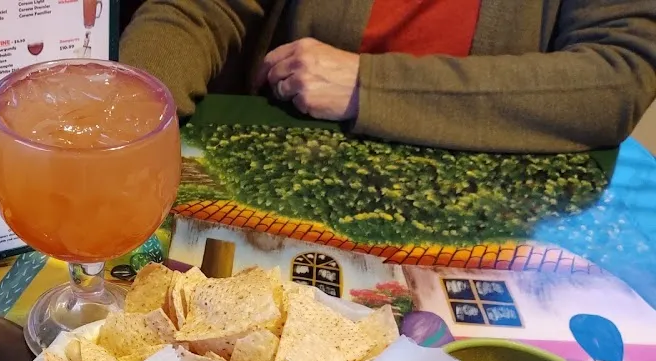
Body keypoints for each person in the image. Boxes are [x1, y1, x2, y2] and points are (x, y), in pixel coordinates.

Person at [120, 0, 656, 152]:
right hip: (287, 186)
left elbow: (619, 77)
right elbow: (199, 10)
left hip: (502, 221)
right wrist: (127, 113)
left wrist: (367, 86)